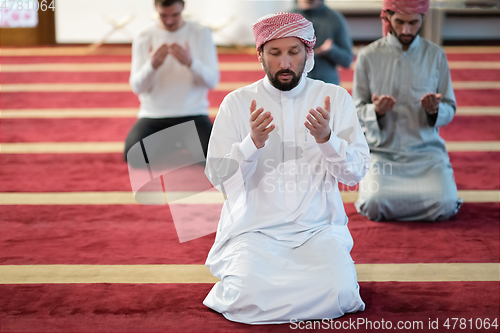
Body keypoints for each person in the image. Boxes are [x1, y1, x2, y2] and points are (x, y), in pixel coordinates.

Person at [203, 12, 369, 324]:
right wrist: (252, 142)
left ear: (309, 53)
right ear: (260, 55)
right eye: (275, 53)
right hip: (254, 231)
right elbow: (220, 180)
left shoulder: (333, 98)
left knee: (341, 293)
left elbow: (355, 173)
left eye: (294, 52)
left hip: (317, 228)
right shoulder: (237, 103)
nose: (285, 63)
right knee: (245, 298)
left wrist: (327, 139)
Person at [353, 0, 462, 221]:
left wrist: (434, 111)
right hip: (382, 153)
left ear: (423, 19)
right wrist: (376, 110)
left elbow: (449, 108)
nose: (406, 30)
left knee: (446, 204)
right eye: (400, 22)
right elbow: (356, 111)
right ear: (388, 18)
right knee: (373, 204)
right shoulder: (368, 56)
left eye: (413, 22)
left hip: (426, 154)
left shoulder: (435, 56)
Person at [124, 0, 219, 162]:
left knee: (209, 158)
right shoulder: (144, 36)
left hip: (193, 113)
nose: (169, 21)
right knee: (134, 157)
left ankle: (171, 142)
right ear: (156, 8)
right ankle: (179, 143)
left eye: (175, 15)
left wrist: (191, 63)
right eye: (163, 15)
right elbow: (137, 87)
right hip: (154, 115)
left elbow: (212, 82)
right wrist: (152, 65)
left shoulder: (201, 32)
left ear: (183, 7)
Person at [290, 0, 353, 85]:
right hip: (295, 85)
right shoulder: (288, 18)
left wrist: (331, 51)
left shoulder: (334, 18)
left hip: (327, 85)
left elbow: (347, 60)